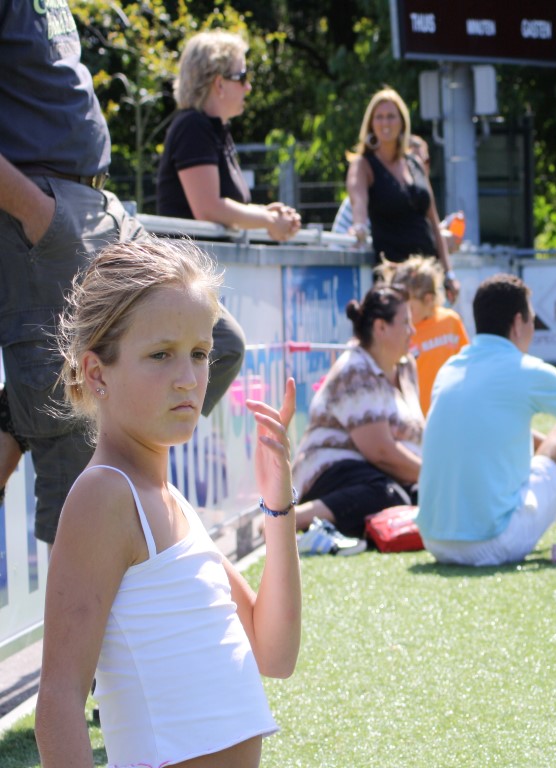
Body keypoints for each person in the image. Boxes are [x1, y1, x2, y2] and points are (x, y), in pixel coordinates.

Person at [35, 238, 301, 767]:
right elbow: (59, 702)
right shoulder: (106, 496)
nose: (189, 379)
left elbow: (274, 653)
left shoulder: (166, 498)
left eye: (200, 353)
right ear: (97, 373)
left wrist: (278, 507)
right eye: (161, 355)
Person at [0, 1, 245, 544]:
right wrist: (37, 213)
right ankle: (29, 414)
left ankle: (20, 413)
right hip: (42, 213)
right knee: (73, 432)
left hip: (98, 202)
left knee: (221, 341)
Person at [417, 273, 556, 567]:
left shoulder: (449, 369)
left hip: (434, 541)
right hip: (492, 542)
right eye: (533, 320)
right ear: (518, 323)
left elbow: (487, 434)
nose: (533, 328)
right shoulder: (529, 370)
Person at [292, 286, 423, 540]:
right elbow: (381, 452)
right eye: (406, 322)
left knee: (415, 497)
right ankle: (290, 520)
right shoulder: (355, 369)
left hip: (378, 477)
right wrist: (433, 476)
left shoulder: (407, 368)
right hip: (330, 475)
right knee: (389, 495)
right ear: (380, 327)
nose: (413, 330)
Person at [157, 30, 302, 241]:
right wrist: (268, 219)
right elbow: (208, 209)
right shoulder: (193, 126)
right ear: (219, 83)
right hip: (187, 261)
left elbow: (221, 208)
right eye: (242, 77)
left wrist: (265, 213)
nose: (248, 87)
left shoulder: (212, 129)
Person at [345, 89, 460, 301]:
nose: (385, 122)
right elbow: (358, 200)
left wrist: (449, 273)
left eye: (391, 116)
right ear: (370, 123)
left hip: (428, 275)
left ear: (402, 122)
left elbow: (433, 222)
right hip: (394, 277)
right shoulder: (363, 164)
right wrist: (358, 226)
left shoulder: (414, 163)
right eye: (379, 117)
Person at [377, 256, 469, 415]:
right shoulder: (398, 331)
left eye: (409, 308)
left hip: (451, 414)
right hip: (415, 417)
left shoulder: (451, 321)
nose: (401, 313)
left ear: (429, 299)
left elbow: (466, 364)